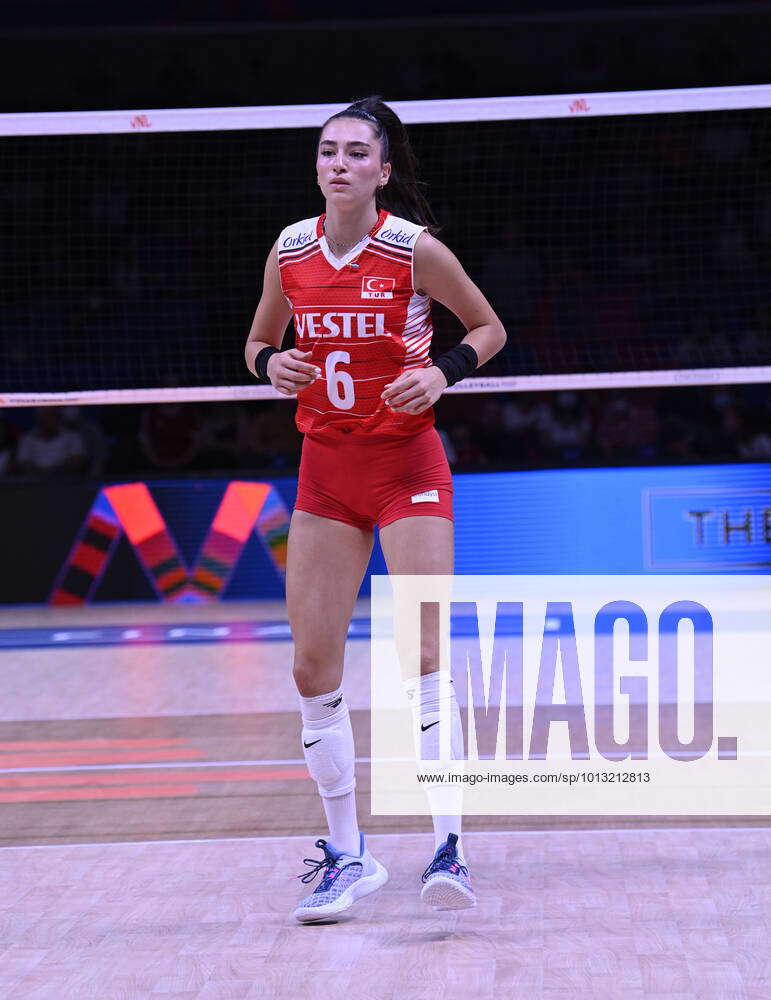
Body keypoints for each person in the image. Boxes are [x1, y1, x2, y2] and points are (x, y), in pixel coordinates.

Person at [245, 96, 506, 923]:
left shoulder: (413, 250)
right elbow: (257, 342)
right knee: (311, 670)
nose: (339, 164)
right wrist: (269, 366)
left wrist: (445, 372)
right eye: (328, 151)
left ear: (382, 171)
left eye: (357, 153)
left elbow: (488, 326)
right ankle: (347, 857)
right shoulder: (289, 251)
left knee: (421, 659)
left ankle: (449, 846)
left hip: (407, 470)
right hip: (325, 476)